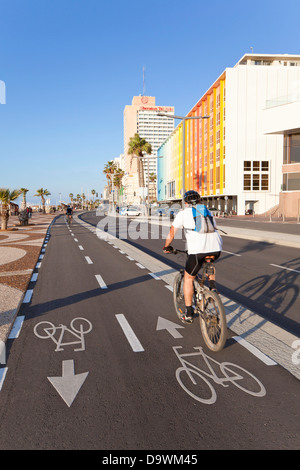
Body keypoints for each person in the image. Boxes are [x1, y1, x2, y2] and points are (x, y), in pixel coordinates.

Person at [163, 190, 223, 323]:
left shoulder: (183, 214)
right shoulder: (208, 211)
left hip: (197, 251)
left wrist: (167, 246)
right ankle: (212, 286)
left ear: (185, 203)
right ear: (200, 201)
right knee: (209, 261)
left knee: (189, 278)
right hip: (217, 248)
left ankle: (189, 312)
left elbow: (172, 233)